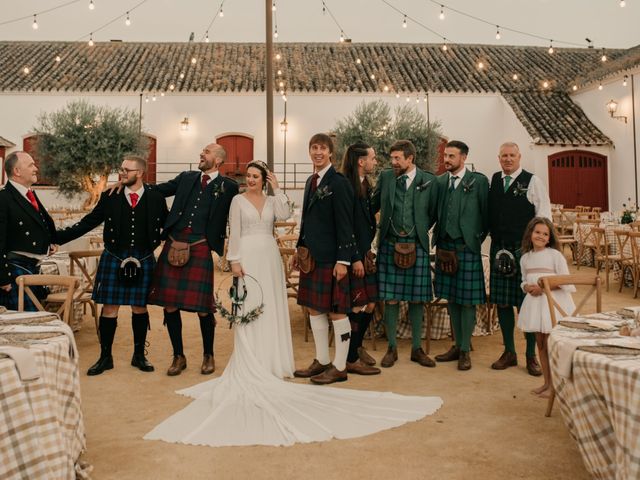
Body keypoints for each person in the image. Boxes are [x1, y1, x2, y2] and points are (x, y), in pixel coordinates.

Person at [144, 163, 443, 447]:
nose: (250, 180)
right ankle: (251, 361)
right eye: (247, 175)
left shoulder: (272, 201)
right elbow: (233, 231)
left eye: (255, 176)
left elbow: (288, 212)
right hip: (247, 258)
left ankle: (275, 361)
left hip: (270, 259)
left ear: (263, 179)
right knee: (247, 310)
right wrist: (234, 260)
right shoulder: (237, 201)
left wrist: (278, 188)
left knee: (270, 309)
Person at [56, 155, 167, 375]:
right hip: (114, 257)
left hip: (143, 258)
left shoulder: (155, 197)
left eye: (127, 170)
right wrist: (57, 238)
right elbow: (88, 222)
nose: (122, 172)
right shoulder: (110, 196)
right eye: (122, 169)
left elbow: (168, 223)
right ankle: (105, 357)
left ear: (140, 173)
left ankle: (139, 355)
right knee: (109, 308)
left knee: (139, 307)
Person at [147, 143, 238, 376]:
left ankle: (209, 355)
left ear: (218, 160)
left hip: (200, 247)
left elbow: (241, 210)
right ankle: (178, 356)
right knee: (170, 303)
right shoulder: (187, 177)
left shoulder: (229, 187)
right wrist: (133, 184)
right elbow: (157, 190)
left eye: (206, 152)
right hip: (173, 243)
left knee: (203, 308)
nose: (201, 154)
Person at [293, 133, 356, 385]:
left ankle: (339, 366)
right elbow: (306, 221)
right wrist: (300, 250)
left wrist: (344, 260)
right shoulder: (311, 180)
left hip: (332, 258)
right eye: (313, 148)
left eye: (322, 148)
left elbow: (345, 223)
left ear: (331, 152)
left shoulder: (338, 182)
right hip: (312, 257)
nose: (317, 152)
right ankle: (321, 360)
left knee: (337, 312)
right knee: (314, 308)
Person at [371, 140, 437, 368]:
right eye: (392, 158)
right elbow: (373, 205)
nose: (393, 162)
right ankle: (391, 348)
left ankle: (417, 349)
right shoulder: (386, 177)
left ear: (410, 159)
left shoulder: (429, 180)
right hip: (390, 243)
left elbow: (434, 211)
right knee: (391, 298)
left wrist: (420, 227)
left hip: (416, 243)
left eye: (398, 158)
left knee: (417, 299)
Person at [488, 142, 551, 376]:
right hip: (499, 248)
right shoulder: (494, 180)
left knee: (526, 303)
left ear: (519, 157)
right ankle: (509, 352)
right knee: (503, 302)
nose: (507, 159)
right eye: (503, 155)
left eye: (511, 155)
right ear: (499, 158)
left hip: (524, 251)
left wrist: (537, 249)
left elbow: (543, 216)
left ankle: (530, 356)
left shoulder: (532, 181)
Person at [433, 140, 489, 371]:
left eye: (452, 156)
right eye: (445, 156)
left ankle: (465, 348)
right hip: (444, 247)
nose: (447, 160)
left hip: (467, 248)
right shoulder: (440, 182)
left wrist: (474, 238)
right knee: (452, 298)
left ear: (464, 157)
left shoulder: (479, 181)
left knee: (467, 302)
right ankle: (456, 345)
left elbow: (487, 214)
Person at [517, 217, 575, 398]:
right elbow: (524, 280)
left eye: (545, 234)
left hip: (553, 303)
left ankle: (556, 386)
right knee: (540, 344)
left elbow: (565, 280)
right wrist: (526, 287)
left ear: (549, 238)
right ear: (530, 234)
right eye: (537, 232)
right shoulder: (525, 258)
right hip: (535, 305)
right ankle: (547, 383)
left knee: (552, 344)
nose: (541, 236)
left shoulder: (554, 255)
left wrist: (543, 288)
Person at [340, 142, 380, 375]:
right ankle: (350, 357)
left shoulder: (365, 184)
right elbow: (346, 224)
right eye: (372, 158)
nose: (375, 162)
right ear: (361, 161)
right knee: (356, 306)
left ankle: (356, 346)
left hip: (366, 252)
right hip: (356, 254)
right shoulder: (346, 185)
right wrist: (354, 257)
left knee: (371, 302)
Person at [0, 151, 57, 310]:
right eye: (31, 165)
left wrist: (47, 243)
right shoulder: (3, 198)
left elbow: (43, 228)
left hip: (32, 268)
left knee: (34, 317)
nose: (36, 168)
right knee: (26, 321)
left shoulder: (29, 194)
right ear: (17, 171)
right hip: (14, 271)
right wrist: (3, 278)